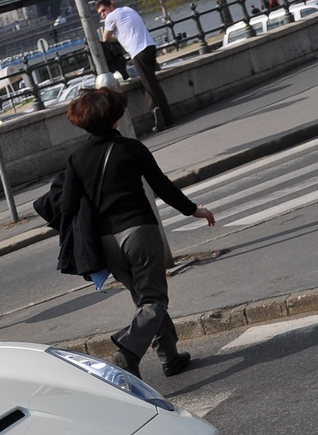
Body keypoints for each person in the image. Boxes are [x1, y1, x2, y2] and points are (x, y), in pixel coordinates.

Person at [58, 88, 216, 378]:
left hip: (107, 243)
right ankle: (127, 351)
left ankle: (170, 356)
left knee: (144, 299)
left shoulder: (76, 159)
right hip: (139, 232)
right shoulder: (131, 148)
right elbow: (163, 186)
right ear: (115, 118)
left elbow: (67, 206)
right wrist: (194, 210)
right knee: (153, 301)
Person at [95, 0, 175, 132]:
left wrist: (117, 37)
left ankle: (168, 119)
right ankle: (155, 109)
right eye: (100, 13)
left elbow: (105, 38)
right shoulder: (128, 9)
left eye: (103, 10)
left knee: (152, 85)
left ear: (111, 6)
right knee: (148, 82)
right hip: (150, 46)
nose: (103, 14)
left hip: (138, 52)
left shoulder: (111, 17)